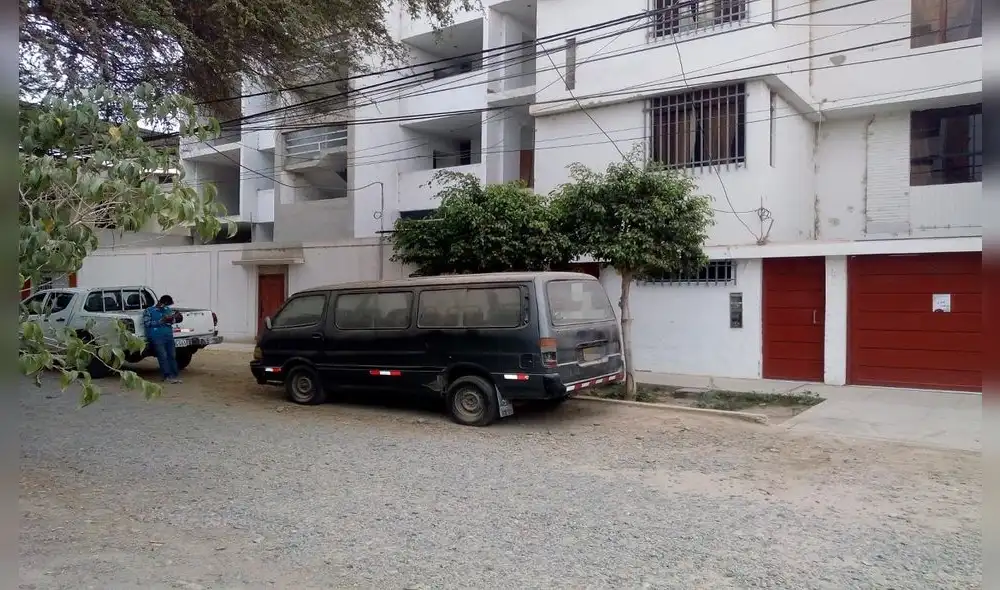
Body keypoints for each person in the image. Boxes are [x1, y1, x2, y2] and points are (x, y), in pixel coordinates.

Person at [143, 294, 182, 384]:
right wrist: (161, 321)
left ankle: (174, 376)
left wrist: (174, 318)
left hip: (168, 335)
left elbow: (171, 321)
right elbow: (147, 323)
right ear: (162, 302)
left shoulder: (167, 310)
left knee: (172, 355)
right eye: (166, 304)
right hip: (156, 336)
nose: (167, 306)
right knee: (163, 356)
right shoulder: (149, 311)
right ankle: (167, 376)